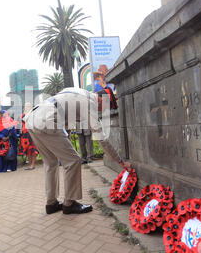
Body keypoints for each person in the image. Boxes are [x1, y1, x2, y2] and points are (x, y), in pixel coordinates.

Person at [24, 87, 132, 215]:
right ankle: (69, 204)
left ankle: (51, 204)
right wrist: (120, 161)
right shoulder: (90, 102)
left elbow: (63, 107)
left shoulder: (78, 92)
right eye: (106, 106)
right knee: (73, 160)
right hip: (47, 121)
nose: (104, 110)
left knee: (50, 162)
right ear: (102, 99)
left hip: (32, 118)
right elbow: (100, 138)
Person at [19, 103, 39, 170]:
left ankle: (32, 164)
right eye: (25, 106)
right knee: (28, 150)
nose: (26, 107)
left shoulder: (33, 114)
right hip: (25, 134)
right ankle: (30, 164)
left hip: (31, 133)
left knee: (33, 149)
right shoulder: (23, 115)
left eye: (28, 106)